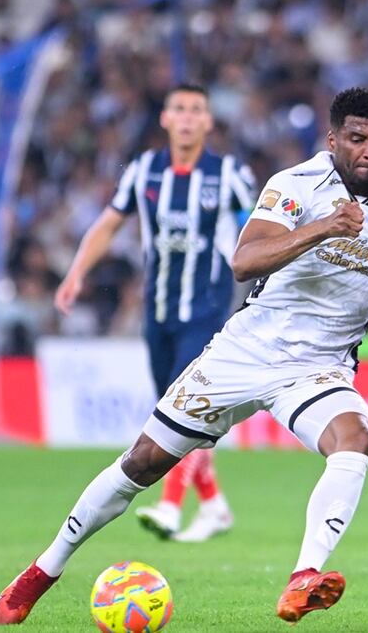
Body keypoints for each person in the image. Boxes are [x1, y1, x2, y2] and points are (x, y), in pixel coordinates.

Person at [0, 87, 368, 626]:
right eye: (356, 139)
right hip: (245, 352)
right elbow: (245, 260)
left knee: (356, 439)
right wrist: (324, 227)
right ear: (333, 139)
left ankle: (303, 577)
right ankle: (42, 570)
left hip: (320, 367)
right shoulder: (295, 185)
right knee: (141, 464)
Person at [55, 84, 253, 543]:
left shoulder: (228, 174)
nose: (187, 118)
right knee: (174, 408)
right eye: (179, 110)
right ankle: (215, 506)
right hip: (157, 310)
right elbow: (109, 223)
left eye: (196, 111)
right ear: (165, 119)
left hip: (205, 307)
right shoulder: (144, 170)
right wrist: (77, 272)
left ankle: (169, 505)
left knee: (182, 408)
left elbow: (258, 229)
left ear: (208, 121)